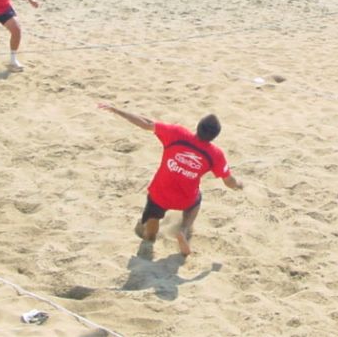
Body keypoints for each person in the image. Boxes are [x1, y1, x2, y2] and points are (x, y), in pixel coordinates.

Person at [98, 103, 243, 256]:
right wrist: (239, 185)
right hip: (185, 199)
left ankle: (149, 238)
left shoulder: (177, 133)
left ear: (198, 127)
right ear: (214, 136)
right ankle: (184, 229)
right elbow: (228, 182)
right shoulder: (215, 154)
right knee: (196, 200)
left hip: (159, 195)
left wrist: (118, 110)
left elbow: (146, 124)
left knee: (152, 220)